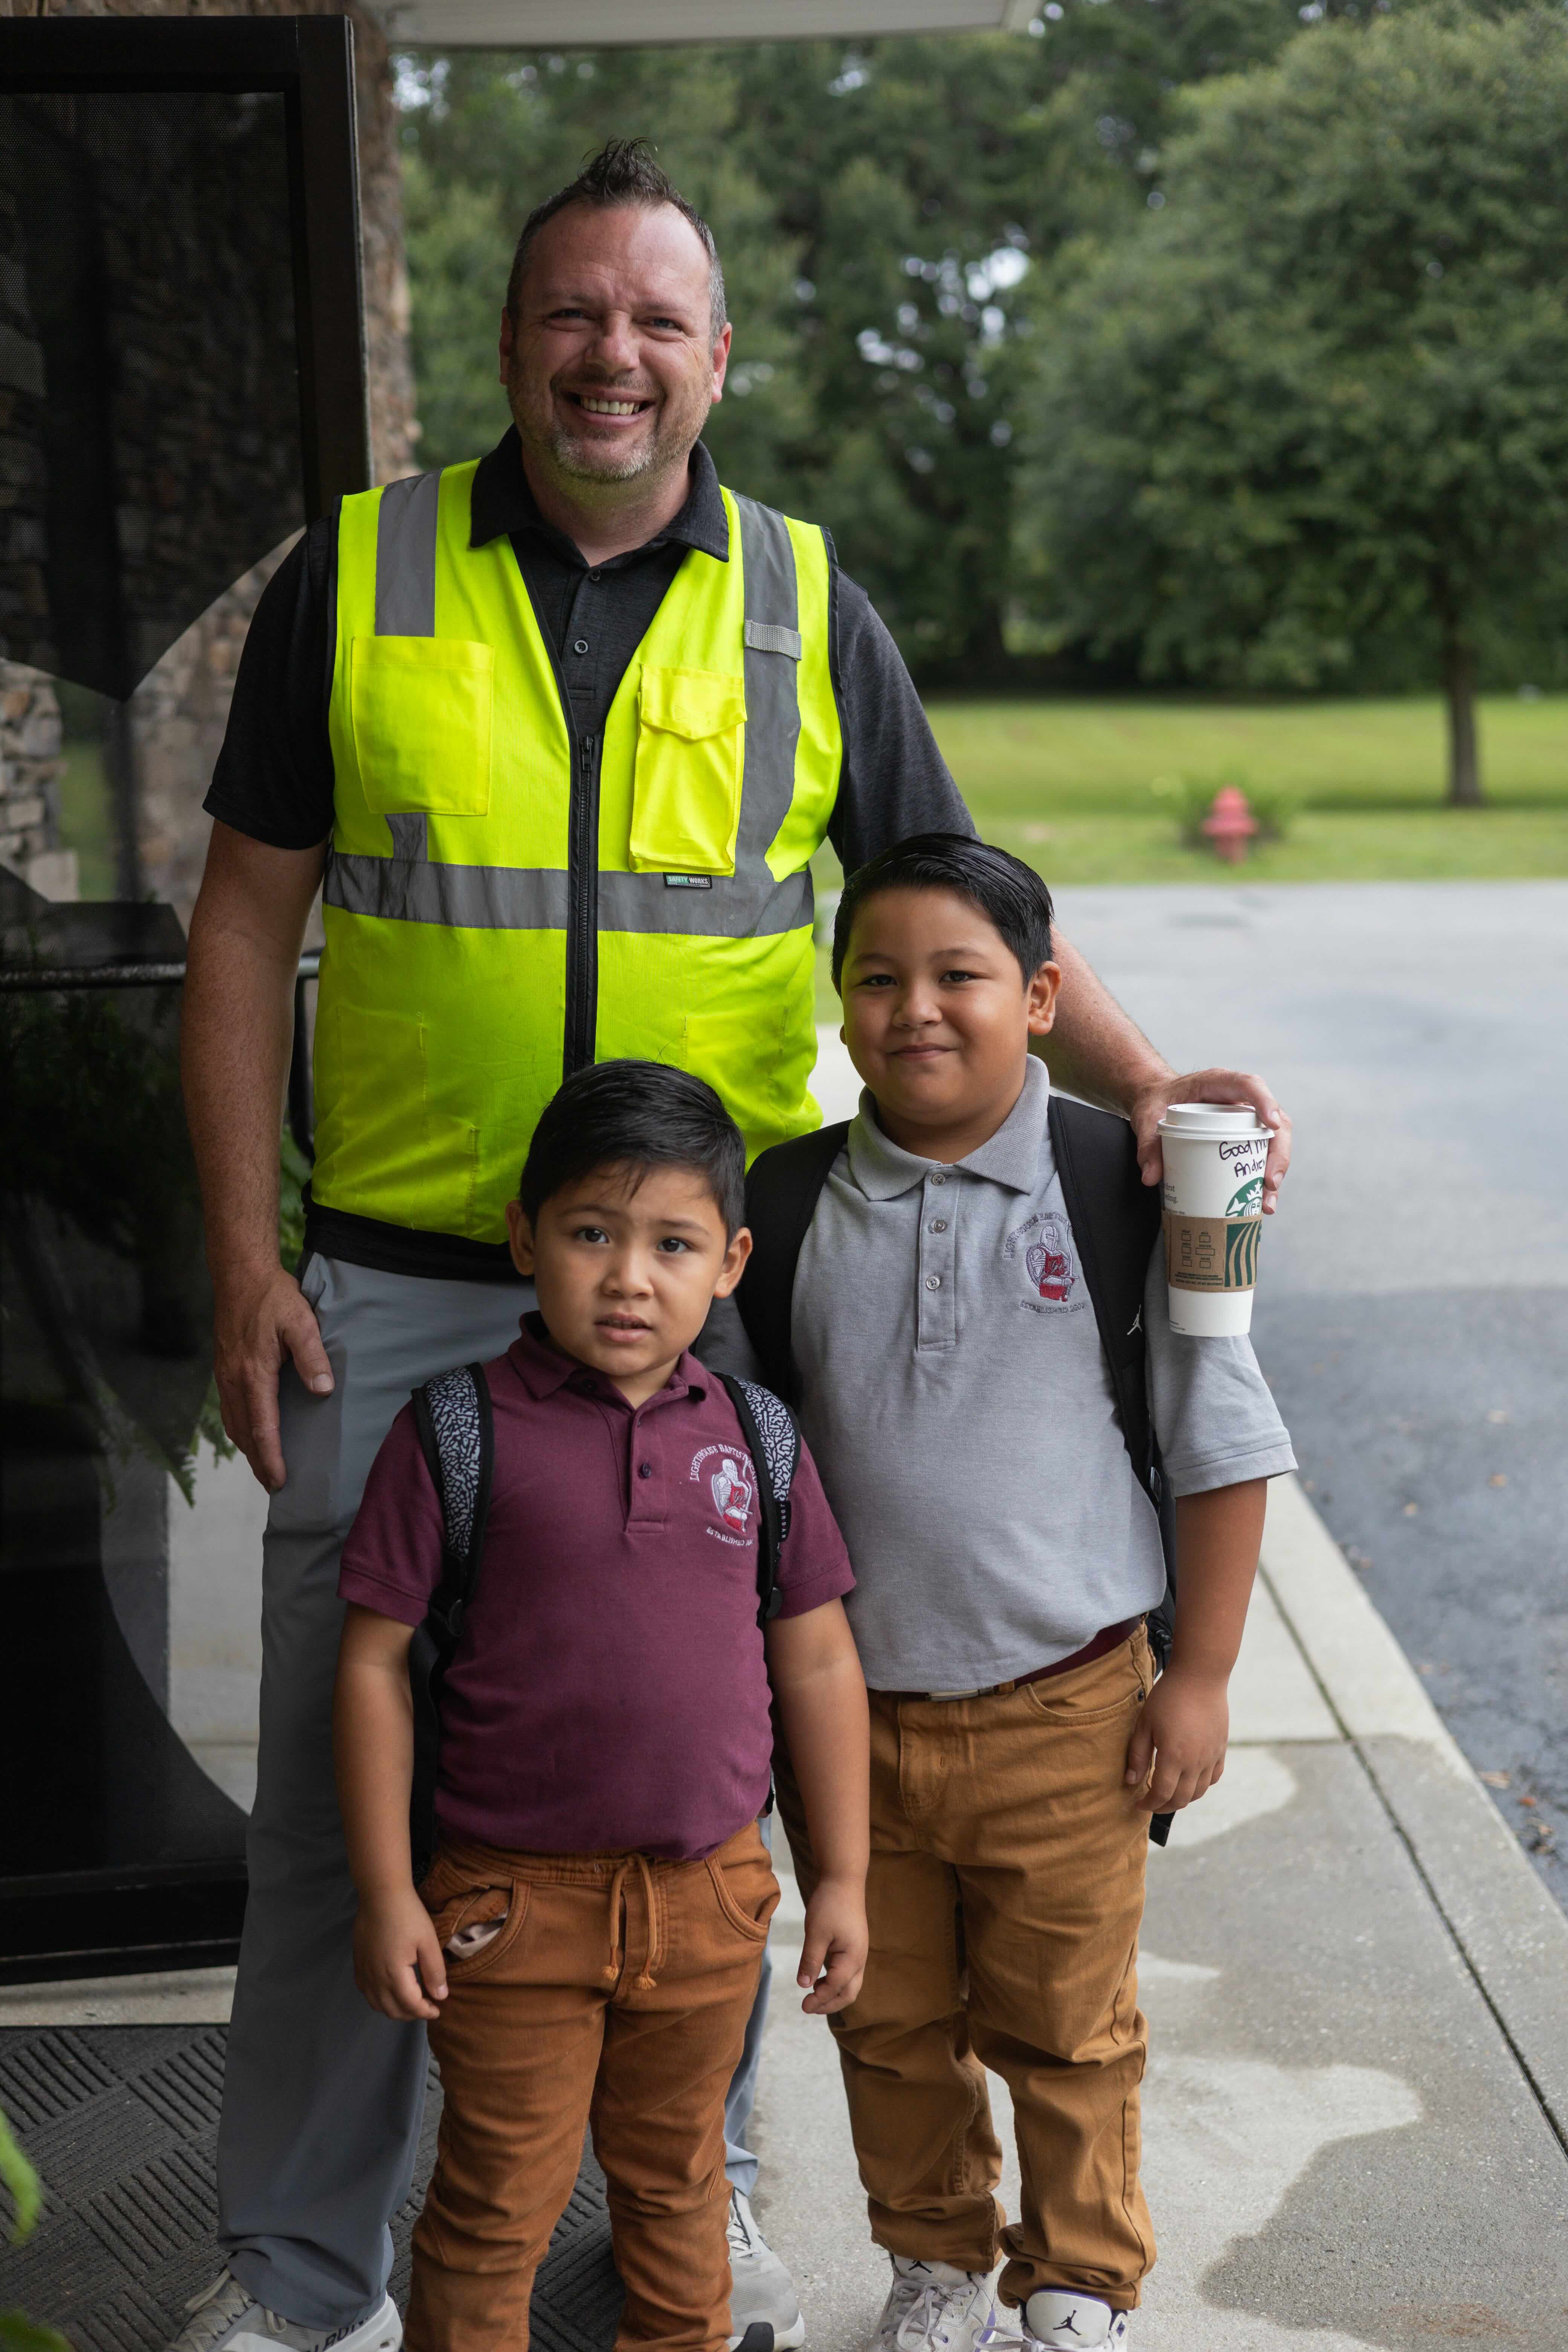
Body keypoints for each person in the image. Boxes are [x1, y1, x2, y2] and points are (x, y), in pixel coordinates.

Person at [177, 135, 1291, 2352]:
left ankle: (705, 2212)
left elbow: (962, 909)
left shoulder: (805, 603)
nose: (613, 353)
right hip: (396, 1287)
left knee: (707, 1786)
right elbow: (237, 926)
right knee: (339, 1791)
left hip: (711, 1313)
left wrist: (1148, 1086)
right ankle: (305, 2279)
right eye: (573, 312)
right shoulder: (360, 578)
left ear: (716, 359)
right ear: (508, 340)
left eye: (656, 320)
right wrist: (241, 1253)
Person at [741, 837, 1298, 2352]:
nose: (915, 1007)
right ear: (838, 1003)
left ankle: (1076, 2286)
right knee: (887, 2024)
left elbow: (1220, 1437)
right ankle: (933, 2268)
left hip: (1071, 1711)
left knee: (1067, 2029)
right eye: (876, 977)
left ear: (1043, 997)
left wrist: (1201, 1677)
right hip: (850, 1724)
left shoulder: (1130, 1184)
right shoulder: (781, 1204)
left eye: (959, 975)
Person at [331, 1061, 868, 2352]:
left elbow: (817, 1663)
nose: (630, 1278)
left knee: (682, 2194)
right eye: (592, 1234)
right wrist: (388, 1892)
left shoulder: (757, 1439)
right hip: (511, 1908)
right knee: (493, 2208)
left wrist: (842, 1879)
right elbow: (370, 1668)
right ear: (527, 1238)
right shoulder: (458, 1432)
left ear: (730, 1263)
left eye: (672, 1244)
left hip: (709, 1901)